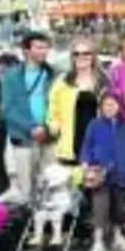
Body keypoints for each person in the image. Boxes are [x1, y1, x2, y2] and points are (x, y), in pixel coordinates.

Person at [0, 32, 58, 204]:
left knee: (49, 181)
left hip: (48, 135)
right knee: (26, 186)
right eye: (39, 47)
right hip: (24, 136)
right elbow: (8, 108)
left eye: (46, 47)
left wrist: (46, 127)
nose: (44, 51)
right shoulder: (11, 76)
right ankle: (28, 220)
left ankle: (46, 221)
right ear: (26, 50)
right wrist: (30, 127)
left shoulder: (53, 74)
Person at [79, 92, 125, 251]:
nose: (109, 107)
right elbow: (87, 146)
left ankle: (117, 236)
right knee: (100, 208)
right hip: (99, 174)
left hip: (121, 173)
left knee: (120, 208)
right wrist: (85, 163)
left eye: (113, 104)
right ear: (101, 107)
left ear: (119, 106)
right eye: (106, 104)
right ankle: (98, 241)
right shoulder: (95, 124)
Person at [46, 39, 109, 177]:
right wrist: (53, 124)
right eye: (77, 54)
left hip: (97, 140)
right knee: (72, 187)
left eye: (86, 53)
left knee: (96, 186)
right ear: (72, 57)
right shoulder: (63, 81)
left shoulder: (104, 81)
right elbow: (52, 105)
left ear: (93, 56)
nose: (81, 57)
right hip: (71, 139)